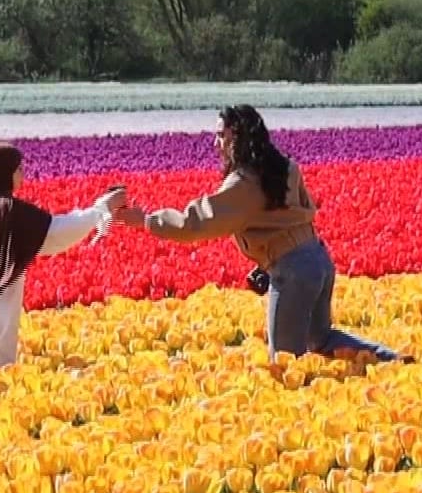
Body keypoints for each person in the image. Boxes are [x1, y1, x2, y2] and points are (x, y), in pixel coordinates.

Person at [113, 104, 401, 363]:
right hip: (318, 259)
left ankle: (314, 400)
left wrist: (147, 221)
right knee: (321, 338)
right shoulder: (285, 167)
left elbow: (196, 223)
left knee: (285, 361)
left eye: (221, 136)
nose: (215, 144)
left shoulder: (245, 182)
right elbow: (289, 217)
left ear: (238, 137)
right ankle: (391, 360)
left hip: (293, 272)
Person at [0, 142, 127, 371]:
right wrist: (100, 210)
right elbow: (56, 233)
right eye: (19, 169)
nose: (23, 175)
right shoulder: (5, 210)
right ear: (4, 173)